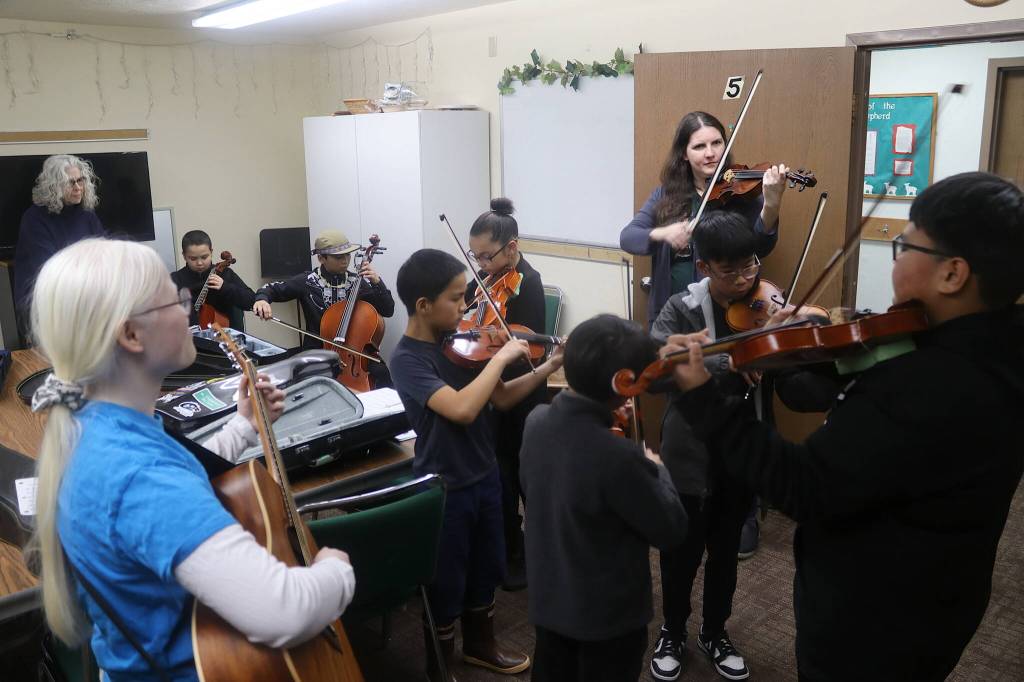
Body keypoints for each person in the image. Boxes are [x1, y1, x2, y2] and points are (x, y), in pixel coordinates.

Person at [668, 172, 1024, 682]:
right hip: (943, 594)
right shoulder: (1001, 349)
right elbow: (872, 428)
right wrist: (805, 362)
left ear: (953, 274)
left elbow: (802, 484)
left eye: (906, 246)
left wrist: (705, 399)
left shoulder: (927, 385)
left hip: (876, 620)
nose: (898, 259)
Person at [29, 238, 356, 682]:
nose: (188, 310)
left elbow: (177, 482)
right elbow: (284, 610)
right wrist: (336, 568)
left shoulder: (97, 429)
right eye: (174, 300)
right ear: (130, 334)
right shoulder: (140, 476)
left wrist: (245, 426)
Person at [389, 248, 564, 681]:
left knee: (487, 567)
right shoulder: (408, 359)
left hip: (484, 473)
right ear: (424, 306)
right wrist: (501, 358)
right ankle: (440, 665)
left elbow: (500, 397)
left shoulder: (461, 348)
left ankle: (481, 647)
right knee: (447, 579)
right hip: (444, 483)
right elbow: (463, 409)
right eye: (456, 298)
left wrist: (551, 366)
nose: (467, 306)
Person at [519, 313, 689, 682]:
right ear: (622, 383)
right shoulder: (620, 456)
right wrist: (657, 468)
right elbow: (671, 530)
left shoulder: (536, 421)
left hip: (550, 604)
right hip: (606, 620)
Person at [647, 210, 773, 682]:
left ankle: (715, 631)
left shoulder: (764, 302)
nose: (744, 279)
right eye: (730, 270)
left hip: (740, 448)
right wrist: (724, 365)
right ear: (704, 268)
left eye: (750, 266)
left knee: (725, 549)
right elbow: (657, 373)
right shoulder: (680, 308)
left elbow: (780, 359)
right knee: (682, 550)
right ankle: (673, 629)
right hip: (691, 447)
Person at [619, 111, 787, 328]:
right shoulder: (665, 195)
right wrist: (663, 233)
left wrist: (771, 205)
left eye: (717, 143)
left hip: (731, 310)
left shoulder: (740, 192)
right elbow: (628, 238)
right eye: (699, 146)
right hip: (674, 311)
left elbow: (760, 249)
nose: (710, 153)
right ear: (684, 154)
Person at [464, 197, 546, 591]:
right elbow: (467, 304)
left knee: (522, 472)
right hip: (492, 387)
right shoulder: (483, 281)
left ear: (511, 248)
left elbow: (532, 345)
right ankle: (509, 546)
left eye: (486, 257)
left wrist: (499, 334)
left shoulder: (527, 281)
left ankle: (536, 550)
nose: (480, 266)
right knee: (500, 474)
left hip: (522, 389)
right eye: (474, 257)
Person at [253, 229, 395, 387]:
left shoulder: (357, 282)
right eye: (338, 257)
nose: (345, 261)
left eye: (348, 255)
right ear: (321, 258)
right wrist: (262, 300)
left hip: (354, 352)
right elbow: (270, 289)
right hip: (317, 352)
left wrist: (377, 282)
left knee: (381, 373)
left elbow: (388, 310)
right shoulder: (307, 282)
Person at [14, 154, 106, 337]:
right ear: (53, 186)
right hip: (46, 305)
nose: (78, 188)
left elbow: (104, 256)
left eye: (80, 180)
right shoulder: (34, 219)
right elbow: (50, 272)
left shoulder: (87, 215)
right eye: (70, 183)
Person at [170, 229, 257, 330]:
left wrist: (225, 287)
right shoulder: (175, 279)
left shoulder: (225, 274)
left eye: (204, 257)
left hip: (226, 339)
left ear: (211, 252)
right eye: (193, 259)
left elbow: (251, 301)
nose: (199, 263)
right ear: (184, 256)